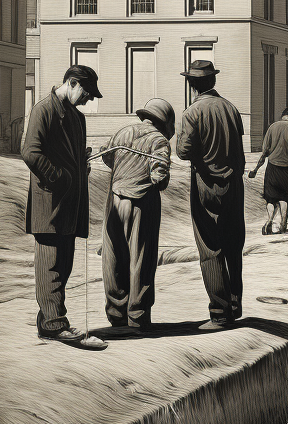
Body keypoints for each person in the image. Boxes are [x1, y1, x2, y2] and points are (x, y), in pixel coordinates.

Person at [21, 64, 106, 349]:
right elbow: (30, 152)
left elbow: (68, 152)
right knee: (51, 267)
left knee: (64, 265)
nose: (89, 99)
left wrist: (81, 162)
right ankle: (56, 325)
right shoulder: (43, 110)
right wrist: (60, 176)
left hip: (70, 205)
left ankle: (48, 323)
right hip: (50, 204)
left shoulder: (77, 118)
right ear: (71, 83)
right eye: (86, 93)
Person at [177, 60, 247, 330]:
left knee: (210, 248)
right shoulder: (230, 108)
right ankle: (235, 303)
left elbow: (184, 152)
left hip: (206, 183)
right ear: (213, 82)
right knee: (233, 245)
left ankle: (219, 313)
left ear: (191, 84)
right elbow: (239, 151)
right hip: (234, 184)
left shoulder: (192, 112)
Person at [100, 97, 174, 331]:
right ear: (165, 122)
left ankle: (116, 314)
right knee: (140, 260)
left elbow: (107, 157)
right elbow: (159, 177)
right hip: (142, 204)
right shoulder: (159, 140)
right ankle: (138, 317)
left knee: (113, 259)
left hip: (115, 201)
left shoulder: (122, 132)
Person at [249, 106, 288, 234]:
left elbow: (265, 151)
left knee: (270, 199)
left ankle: (270, 220)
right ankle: (283, 224)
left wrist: (255, 169)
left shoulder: (272, 127)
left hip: (272, 168)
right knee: (284, 199)